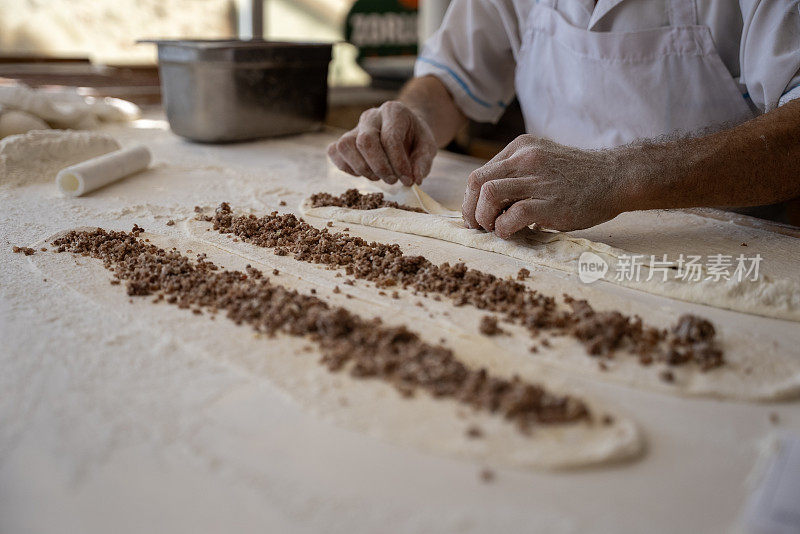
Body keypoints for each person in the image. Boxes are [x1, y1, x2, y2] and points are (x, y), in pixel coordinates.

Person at [327, 0, 800, 236]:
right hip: (537, 244)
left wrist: (620, 176)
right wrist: (415, 114)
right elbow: (452, 80)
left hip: (727, 253)